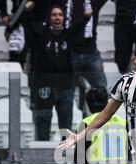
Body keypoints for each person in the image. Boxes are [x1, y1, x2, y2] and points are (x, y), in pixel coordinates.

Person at [31, 4, 92, 141]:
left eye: (60, 14)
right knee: (43, 122)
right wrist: (28, 11)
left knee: (65, 125)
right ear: (49, 18)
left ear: (64, 18)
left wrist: (86, 17)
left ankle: (66, 157)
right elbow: (28, 24)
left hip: (65, 87)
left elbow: (79, 26)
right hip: (45, 86)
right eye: (54, 15)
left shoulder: (68, 35)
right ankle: (42, 158)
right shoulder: (42, 34)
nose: (57, 17)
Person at [72, 86, 128, 164]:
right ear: (107, 103)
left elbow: (79, 162)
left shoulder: (86, 124)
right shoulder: (122, 123)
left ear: (88, 105)